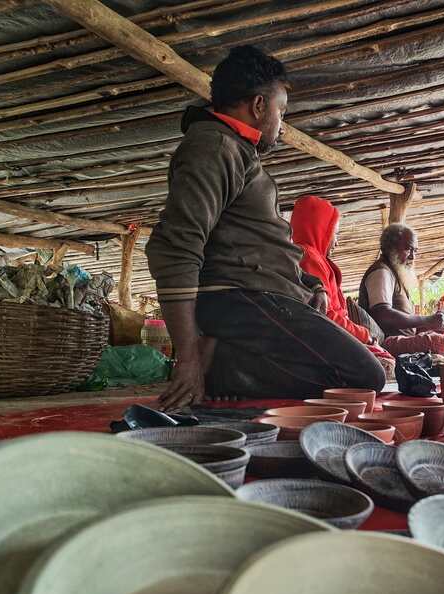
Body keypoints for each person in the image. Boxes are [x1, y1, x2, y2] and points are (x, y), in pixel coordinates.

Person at [146, 46, 385, 407]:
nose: (281, 123)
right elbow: (176, 247)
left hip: (262, 295)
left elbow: (264, 247)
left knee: (361, 371)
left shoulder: (237, 151)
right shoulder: (213, 147)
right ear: (259, 106)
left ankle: (229, 358)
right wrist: (189, 355)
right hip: (238, 296)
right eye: (281, 111)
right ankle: (222, 364)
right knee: (364, 376)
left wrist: (310, 286)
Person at [291, 194, 395, 375]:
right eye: (334, 234)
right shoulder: (308, 258)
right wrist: (365, 336)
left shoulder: (313, 259)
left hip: (338, 337)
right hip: (329, 342)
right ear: (320, 230)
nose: (337, 242)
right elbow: (328, 317)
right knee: (383, 368)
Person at [358, 222, 444, 356]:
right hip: (385, 343)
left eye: (415, 251)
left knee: (442, 341)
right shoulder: (381, 272)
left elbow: (405, 326)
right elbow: (383, 314)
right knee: (439, 344)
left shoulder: (394, 274)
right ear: (391, 247)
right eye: (408, 249)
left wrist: (433, 324)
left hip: (398, 340)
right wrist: (428, 320)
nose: (413, 256)